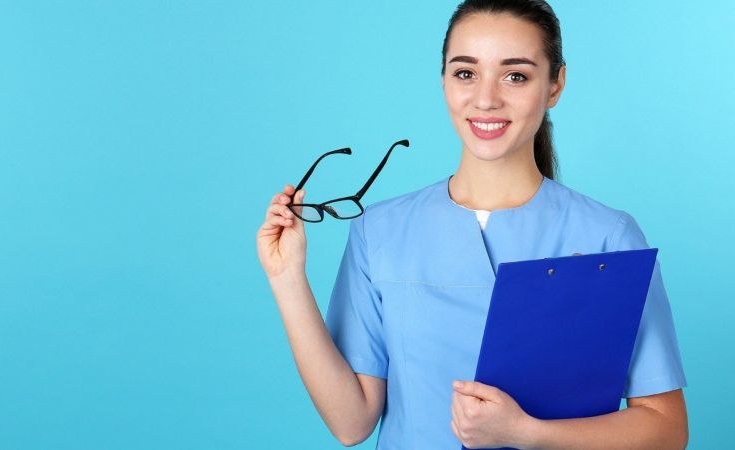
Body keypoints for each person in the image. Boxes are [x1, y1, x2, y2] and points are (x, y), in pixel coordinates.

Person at [256, 0, 689, 448]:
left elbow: (666, 429)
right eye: (465, 72)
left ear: (555, 84)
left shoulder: (608, 237)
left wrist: (526, 432)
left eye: (515, 75)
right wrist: (287, 278)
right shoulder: (379, 231)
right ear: (443, 79)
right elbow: (351, 422)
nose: (486, 99)